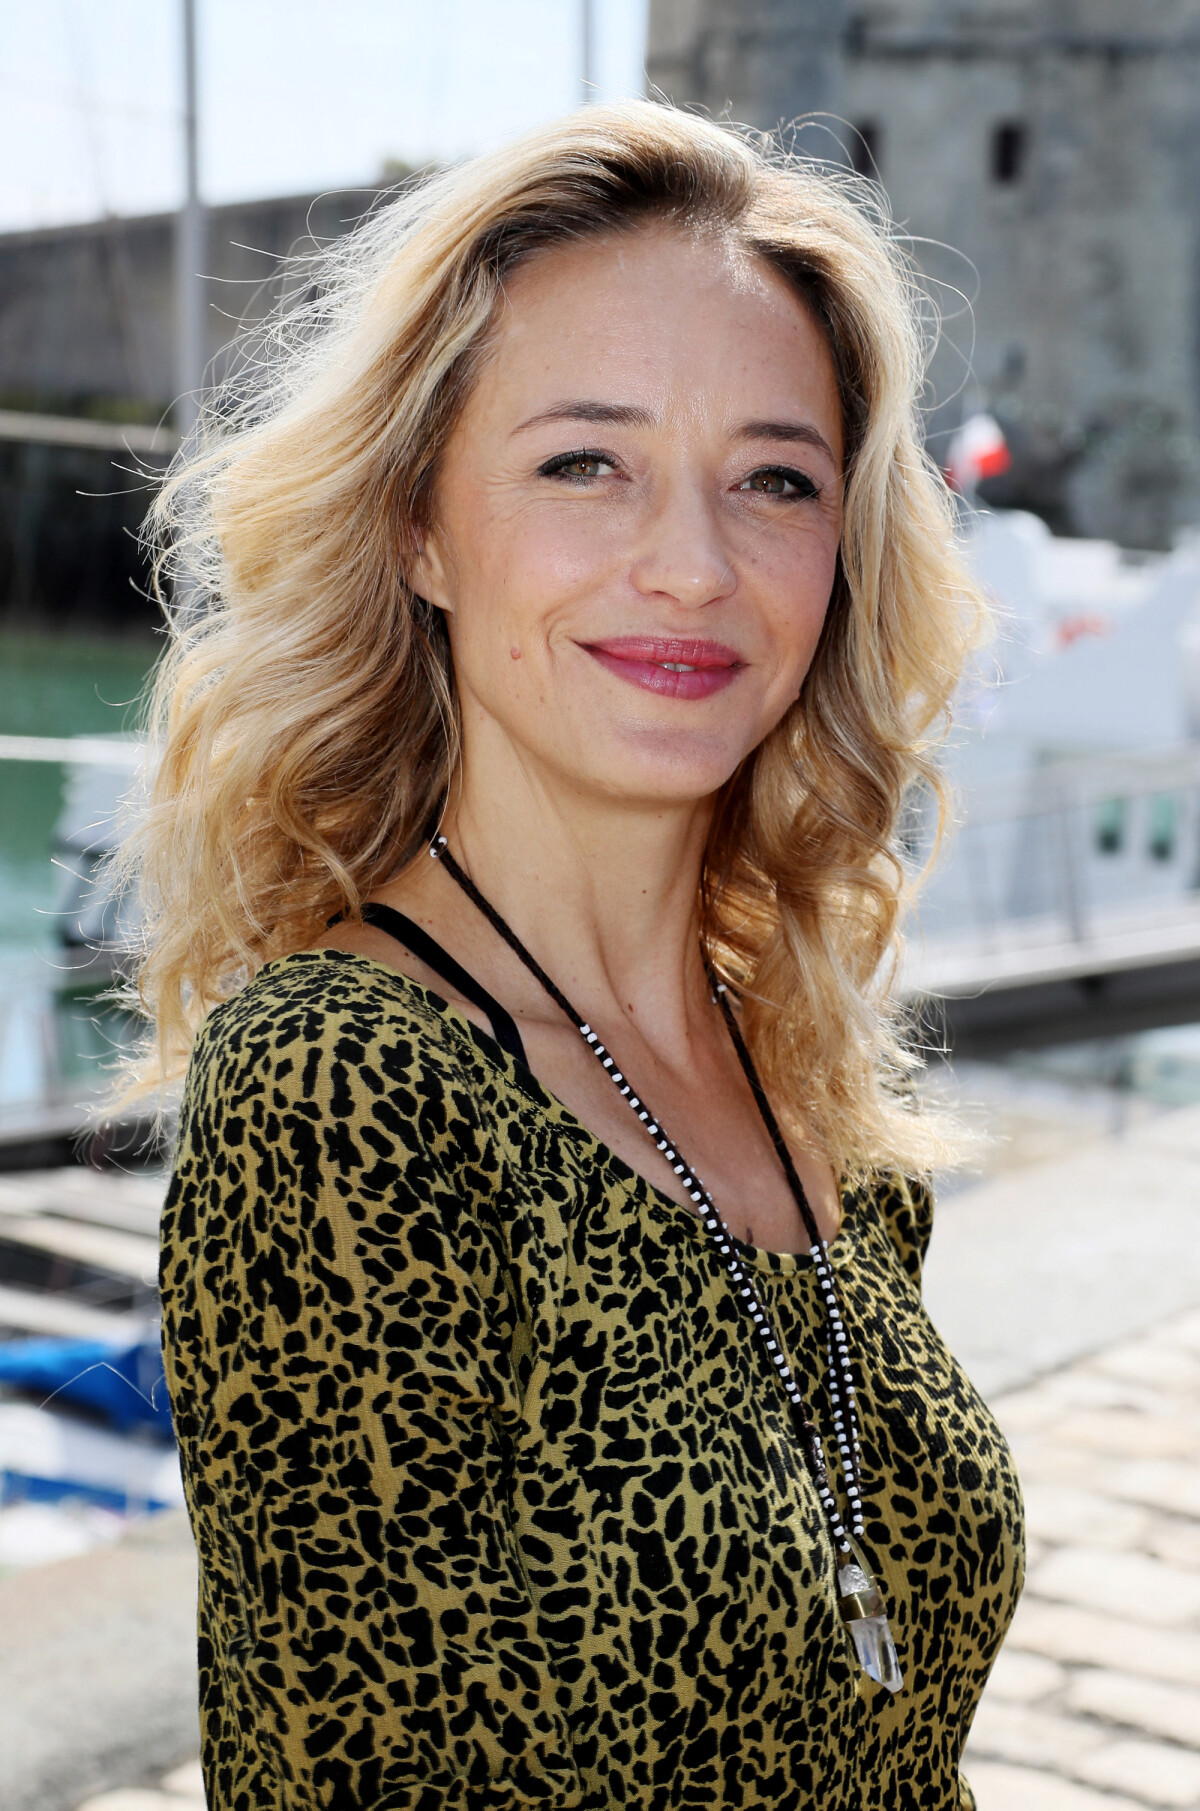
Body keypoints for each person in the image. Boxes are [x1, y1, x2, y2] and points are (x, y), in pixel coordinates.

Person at [136, 102, 1022, 1810]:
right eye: (583, 463)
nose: (692, 565)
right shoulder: (348, 1093)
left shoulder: (800, 1064)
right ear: (418, 528)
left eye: (776, 479)